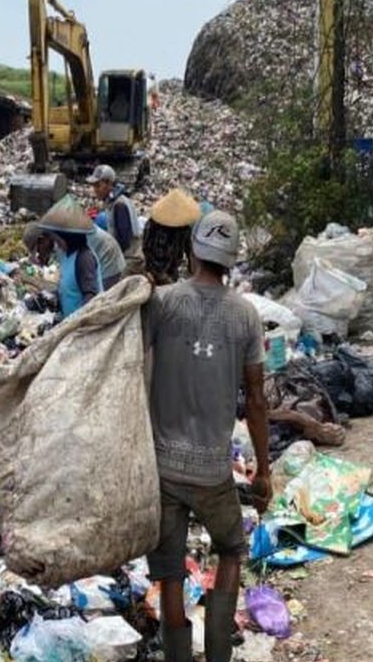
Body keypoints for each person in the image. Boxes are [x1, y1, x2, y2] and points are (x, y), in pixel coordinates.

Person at [142, 210, 271, 662]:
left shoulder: (160, 304)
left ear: (192, 250)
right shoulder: (245, 316)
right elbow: (256, 400)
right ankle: (218, 653)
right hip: (213, 471)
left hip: (164, 468)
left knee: (170, 575)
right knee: (232, 550)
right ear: (231, 260)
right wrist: (263, 472)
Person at [33, 196, 103, 319]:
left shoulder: (84, 258)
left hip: (82, 325)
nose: (56, 243)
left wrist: (77, 322)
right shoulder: (67, 256)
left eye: (58, 239)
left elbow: (91, 296)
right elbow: (69, 289)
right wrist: (51, 297)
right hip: (69, 320)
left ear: (68, 238)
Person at [90, 164, 145, 274]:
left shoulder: (119, 205)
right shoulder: (114, 202)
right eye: (94, 186)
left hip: (130, 259)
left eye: (98, 186)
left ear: (109, 184)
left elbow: (124, 241)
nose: (95, 190)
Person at [143, 189, 203, 284]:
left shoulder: (184, 229)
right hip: (157, 271)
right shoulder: (154, 225)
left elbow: (190, 250)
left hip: (165, 270)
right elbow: (146, 250)